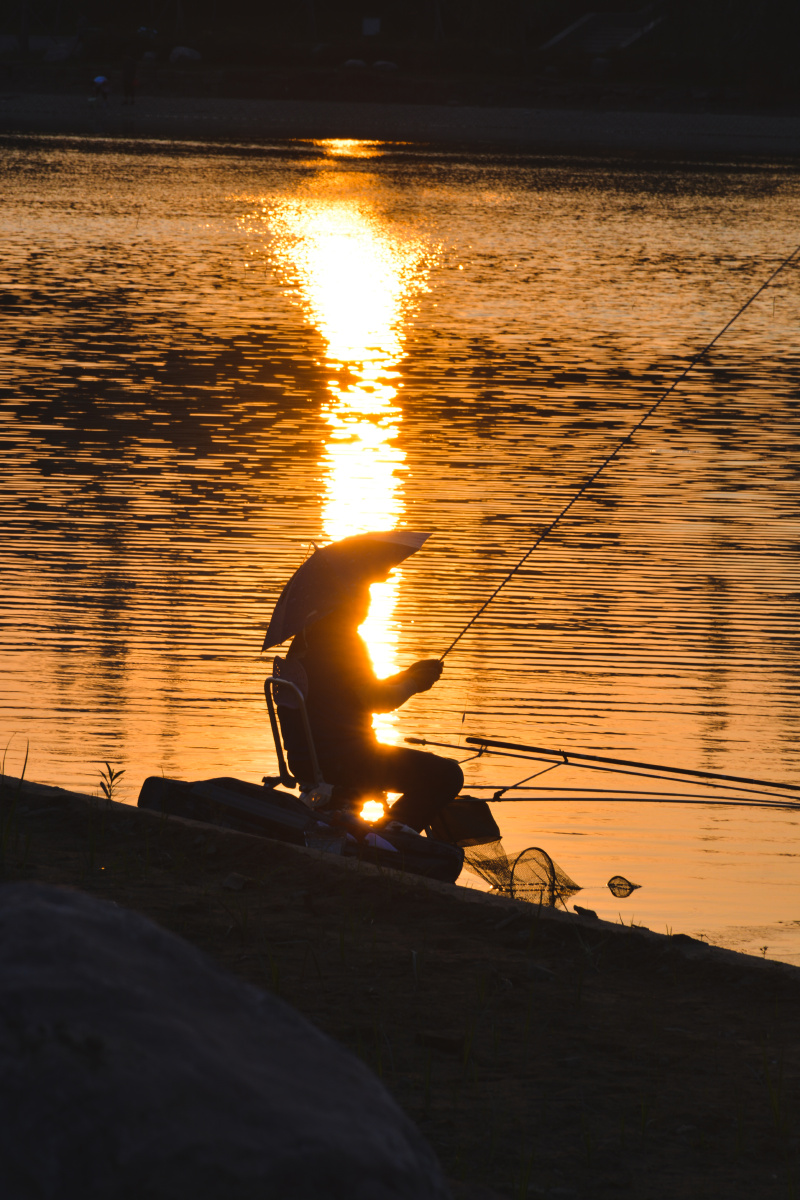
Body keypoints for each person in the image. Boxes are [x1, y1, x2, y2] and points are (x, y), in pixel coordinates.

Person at [281, 579, 463, 832]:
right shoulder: (344, 643)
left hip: (307, 759)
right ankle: (389, 838)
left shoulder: (304, 640)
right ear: (348, 603)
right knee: (446, 775)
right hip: (347, 758)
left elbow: (354, 692)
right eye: (361, 596)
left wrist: (406, 675)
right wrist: (414, 685)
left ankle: (379, 834)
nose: (366, 603)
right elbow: (378, 701)